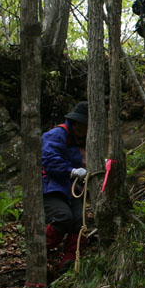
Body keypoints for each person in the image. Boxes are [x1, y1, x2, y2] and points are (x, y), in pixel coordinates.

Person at [43, 101, 88, 272]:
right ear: (76, 123)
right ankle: (39, 252)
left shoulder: (76, 141)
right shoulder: (57, 135)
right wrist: (71, 171)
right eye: (84, 126)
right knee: (63, 217)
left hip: (70, 189)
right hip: (52, 187)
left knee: (80, 221)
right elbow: (49, 160)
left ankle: (70, 260)